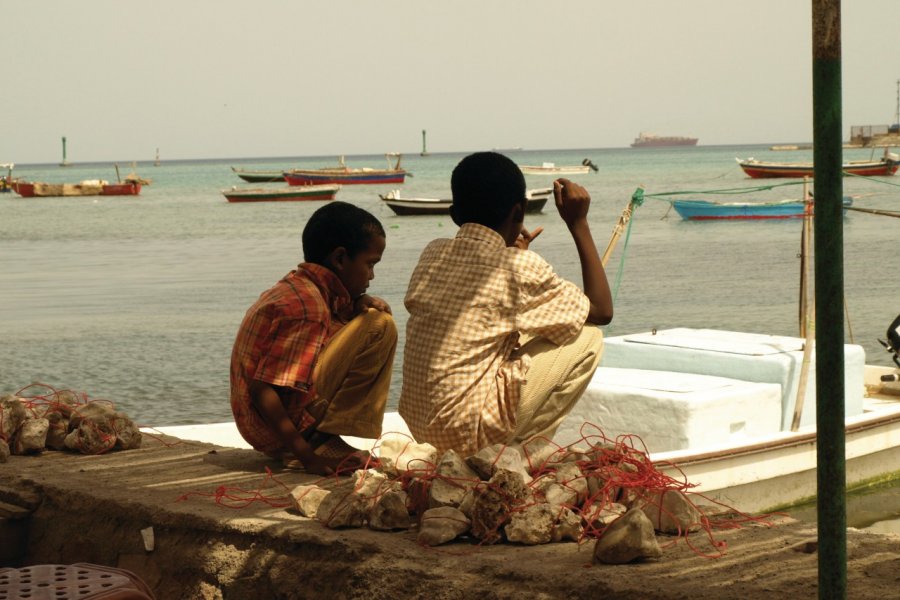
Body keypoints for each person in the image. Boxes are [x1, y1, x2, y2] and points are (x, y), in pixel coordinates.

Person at [399, 151, 613, 457]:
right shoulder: (519, 267)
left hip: (420, 428)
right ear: (519, 212)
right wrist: (578, 224)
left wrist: (512, 251)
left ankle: (496, 450)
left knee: (522, 329)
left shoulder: (432, 254)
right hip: (463, 435)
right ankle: (520, 454)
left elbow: (488, 311)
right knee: (589, 337)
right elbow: (602, 310)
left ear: (454, 213)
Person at [230, 201, 397, 475]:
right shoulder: (308, 306)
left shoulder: (301, 287)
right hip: (275, 430)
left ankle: (321, 436)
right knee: (379, 326)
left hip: (264, 424)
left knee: (369, 316)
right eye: (369, 264)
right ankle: (317, 441)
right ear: (340, 259)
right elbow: (263, 390)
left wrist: (355, 303)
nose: (372, 275)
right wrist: (308, 458)